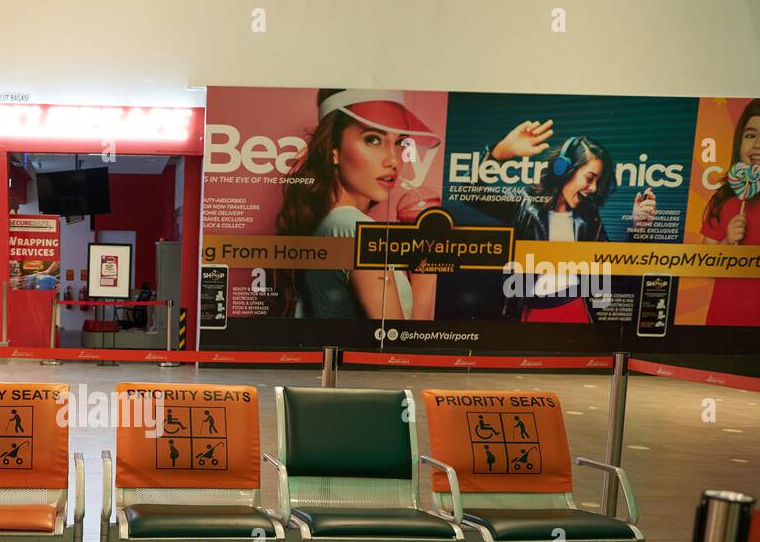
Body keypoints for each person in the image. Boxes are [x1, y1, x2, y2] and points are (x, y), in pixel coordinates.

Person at [276, 88, 440, 319]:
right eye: (373, 139)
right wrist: (425, 274)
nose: (393, 160)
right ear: (333, 149)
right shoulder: (354, 227)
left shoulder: (333, 223)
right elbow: (397, 348)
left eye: (400, 142)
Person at [476, 120, 655, 322]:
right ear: (564, 169)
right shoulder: (523, 204)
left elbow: (615, 277)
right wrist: (499, 153)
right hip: (530, 314)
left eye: (598, 181)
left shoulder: (590, 219)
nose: (594, 188)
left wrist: (640, 230)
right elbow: (467, 191)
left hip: (577, 311)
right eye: (589, 178)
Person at [699, 99, 760, 326]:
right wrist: (726, 241)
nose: (757, 145)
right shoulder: (724, 200)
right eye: (751, 135)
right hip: (724, 320)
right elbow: (704, 267)